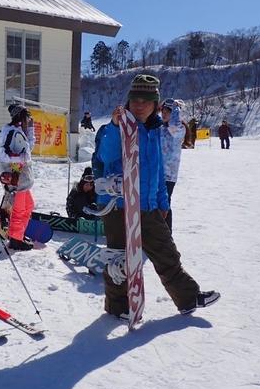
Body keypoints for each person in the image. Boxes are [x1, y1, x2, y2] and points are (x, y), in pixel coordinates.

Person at [93, 74, 219, 318]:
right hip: (119, 205)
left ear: (155, 105)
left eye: (146, 100)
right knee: (119, 259)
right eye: (135, 99)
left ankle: (188, 297)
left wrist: (162, 202)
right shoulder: (117, 127)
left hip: (148, 205)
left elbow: (159, 170)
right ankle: (118, 308)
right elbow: (106, 157)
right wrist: (114, 126)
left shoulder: (155, 130)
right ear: (129, 101)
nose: (140, 105)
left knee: (166, 252)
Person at [0, 103, 36, 251]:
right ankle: (15, 239)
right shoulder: (9, 131)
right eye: (27, 116)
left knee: (29, 206)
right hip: (16, 179)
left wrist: (31, 129)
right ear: (20, 116)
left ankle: (19, 234)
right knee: (19, 210)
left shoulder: (20, 130)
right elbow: (3, 154)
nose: (29, 119)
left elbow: (29, 148)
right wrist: (20, 158)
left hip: (23, 179)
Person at [159, 98, 186, 231]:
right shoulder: (161, 128)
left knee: (164, 204)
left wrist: (175, 108)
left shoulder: (178, 129)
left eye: (167, 111)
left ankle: (166, 234)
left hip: (169, 175)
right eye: (163, 111)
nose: (164, 114)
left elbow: (175, 125)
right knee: (156, 205)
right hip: (157, 172)